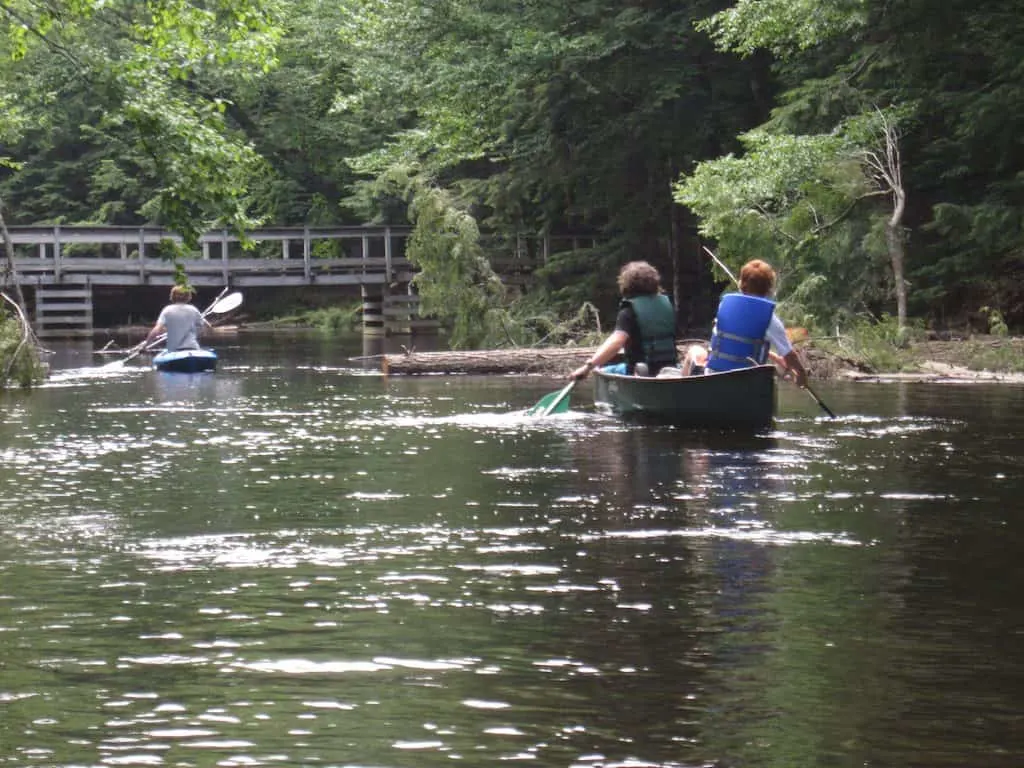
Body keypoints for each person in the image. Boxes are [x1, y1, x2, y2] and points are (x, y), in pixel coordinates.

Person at [681, 259, 808, 388]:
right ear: (769, 288)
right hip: (747, 383)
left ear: (741, 284)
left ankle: (685, 394)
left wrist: (775, 357)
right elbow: (789, 355)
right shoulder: (770, 318)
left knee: (694, 350)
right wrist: (801, 374)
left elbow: (732, 344)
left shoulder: (724, 306)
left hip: (715, 377)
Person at [570, 260, 677, 380]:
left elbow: (616, 342)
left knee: (602, 370)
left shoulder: (629, 310)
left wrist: (588, 367)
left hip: (642, 372)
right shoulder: (667, 305)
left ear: (627, 284)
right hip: (671, 368)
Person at [142, 285, 207, 352]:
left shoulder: (167, 310)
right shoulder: (194, 310)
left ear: (172, 296)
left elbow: (157, 330)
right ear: (188, 297)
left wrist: (146, 345)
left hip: (174, 350)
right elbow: (202, 329)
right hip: (193, 348)